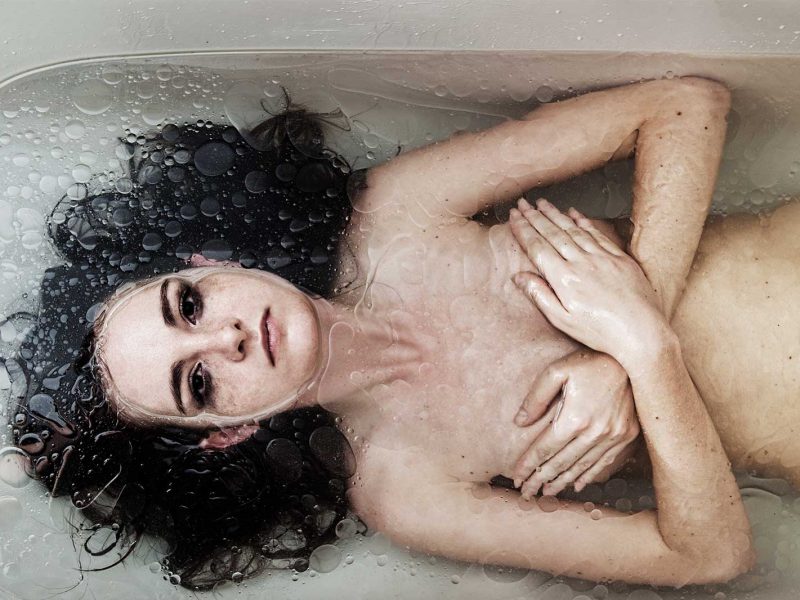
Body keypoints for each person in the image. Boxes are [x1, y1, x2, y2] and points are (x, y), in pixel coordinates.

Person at [6, 76, 765, 589]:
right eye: (198, 383)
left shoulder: (399, 213)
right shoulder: (405, 488)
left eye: (189, 306)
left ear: (210, 261)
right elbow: (707, 555)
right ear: (227, 434)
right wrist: (645, 356)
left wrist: (627, 341)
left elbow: (684, 104)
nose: (226, 339)